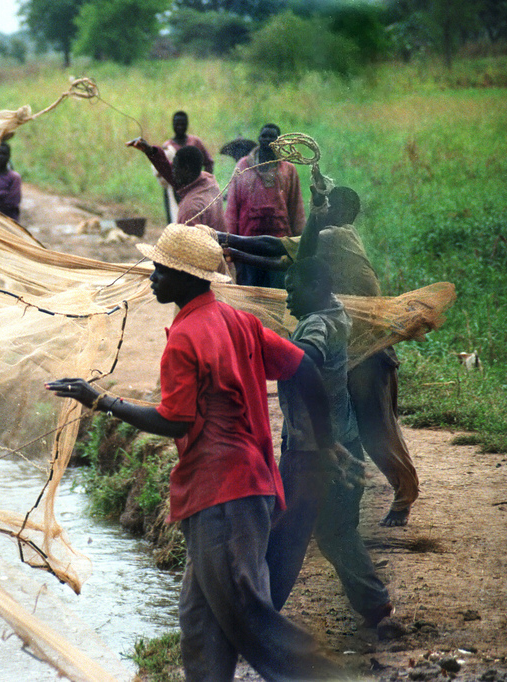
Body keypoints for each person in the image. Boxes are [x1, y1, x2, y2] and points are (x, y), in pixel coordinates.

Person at [46, 224, 346, 681]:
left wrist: (101, 400)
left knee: (247, 611)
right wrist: (326, 444)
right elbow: (304, 367)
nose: (152, 277)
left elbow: (175, 421)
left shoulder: (185, 338)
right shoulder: (237, 321)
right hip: (245, 488)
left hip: (223, 495)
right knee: (200, 623)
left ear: (186, 279)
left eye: (161, 270)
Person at [219, 184, 419, 526]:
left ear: (342, 213)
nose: (324, 210)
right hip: (355, 344)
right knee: (350, 428)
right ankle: (329, 507)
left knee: (376, 431)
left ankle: (402, 497)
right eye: (323, 206)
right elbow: (286, 259)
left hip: (365, 352)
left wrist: (223, 236)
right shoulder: (337, 237)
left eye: (330, 206)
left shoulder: (335, 236)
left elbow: (280, 246)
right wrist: (235, 252)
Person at [267, 257, 394, 627]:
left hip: (314, 452)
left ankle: (258, 615)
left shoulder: (319, 324)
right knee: (334, 531)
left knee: (285, 534)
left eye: (294, 290)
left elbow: (306, 357)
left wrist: (265, 349)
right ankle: (375, 604)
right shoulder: (333, 311)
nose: (287, 298)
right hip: (340, 442)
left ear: (319, 289)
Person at [225, 123, 306, 288]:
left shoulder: (289, 170)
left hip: (279, 248)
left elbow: (296, 209)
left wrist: (299, 246)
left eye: (272, 137)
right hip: (247, 246)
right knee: (250, 293)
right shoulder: (243, 166)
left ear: (280, 141)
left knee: (276, 295)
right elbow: (232, 208)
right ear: (259, 139)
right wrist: (230, 241)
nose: (268, 140)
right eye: (264, 136)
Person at [126, 139, 225, 233]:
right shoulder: (209, 181)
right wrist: (150, 151)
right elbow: (169, 171)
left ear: (186, 170)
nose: (172, 171)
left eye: (175, 168)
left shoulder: (189, 209)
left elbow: (189, 247)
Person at [155, 111, 215, 222]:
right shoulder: (168, 147)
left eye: (183, 124)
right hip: (174, 189)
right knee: (175, 219)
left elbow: (209, 162)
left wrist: (205, 181)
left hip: (195, 187)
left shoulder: (195, 142)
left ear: (187, 124)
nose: (180, 127)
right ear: (172, 125)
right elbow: (162, 169)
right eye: (177, 124)